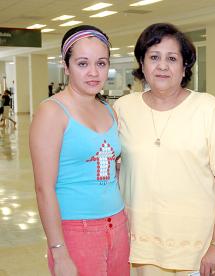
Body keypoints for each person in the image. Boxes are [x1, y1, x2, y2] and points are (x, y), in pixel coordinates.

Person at [113, 23, 215, 276]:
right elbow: (114, 173)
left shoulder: (207, 108)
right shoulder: (123, 109)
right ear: (142, 63)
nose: (162, 66)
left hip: (199, 249)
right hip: (142, 248)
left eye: (172, 58)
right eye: (154, 57)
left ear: (185, 67)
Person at [29, 25, 130, 276]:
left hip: (117, 224)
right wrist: (58, 250)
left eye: (102, 63)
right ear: (66, 66)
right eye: (83, 64)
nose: (94, 73)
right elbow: (44, 188)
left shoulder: (108, 109)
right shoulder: (52, 112)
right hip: (77, 230)